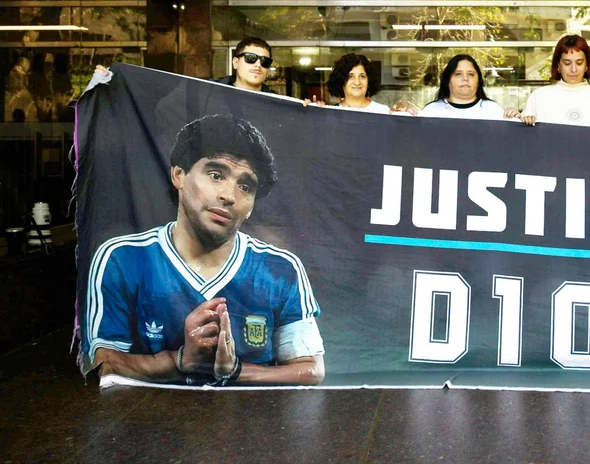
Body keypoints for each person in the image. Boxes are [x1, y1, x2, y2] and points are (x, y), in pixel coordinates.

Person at [83, 114, 325, 386]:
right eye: (215, 175)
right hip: (150, 412)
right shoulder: (122, 258)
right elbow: (102, 363)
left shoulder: (280, 269)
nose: (229, 196)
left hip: (251, 414)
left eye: (245, 186)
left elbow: (311, 369)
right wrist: (180, 360)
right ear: (179, 175)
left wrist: (234, 370)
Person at [521, 35, 590, 130]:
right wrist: (516, 118)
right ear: (558, 65)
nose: (573, 69)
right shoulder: (539, 96)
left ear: (586, 65)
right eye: (567, 63)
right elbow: (522, 132)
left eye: (579, 63)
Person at [414, 54, 521, 120]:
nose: (465, 78)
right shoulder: (431, 111)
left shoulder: (494, 110)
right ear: (447, 80)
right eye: (458, 74)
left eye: (470, 74)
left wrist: (518, 120)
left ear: (478, 81)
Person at [325, 53, 391, 113]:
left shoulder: (383, 111)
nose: (357, 82)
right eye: (350, 76)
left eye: (362, 76)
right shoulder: (330, 114)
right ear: (340, 80)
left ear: (369, 80)